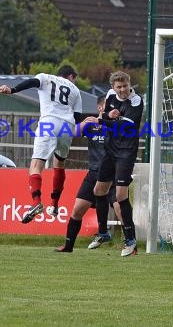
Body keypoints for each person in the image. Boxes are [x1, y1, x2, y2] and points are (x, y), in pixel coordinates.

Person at [0, 65, 82, 223]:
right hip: (67, 126)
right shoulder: (75, 90)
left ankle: (36, 202)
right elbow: (77, 118)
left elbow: (31, 82)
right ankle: (54, 204)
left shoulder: (45, 77)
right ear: (71, 76)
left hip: (48, 122)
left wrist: (12, 90)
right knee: (59, 163)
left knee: (36, 165)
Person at [55, 96, 121, 253]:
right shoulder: (90, 125)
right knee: (77, 210)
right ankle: (68, 246)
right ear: (100, 108)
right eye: (108, 105)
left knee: (120, 209)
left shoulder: (115, 124)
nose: (112, 108)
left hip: (113, 173)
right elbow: (71, 132)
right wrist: (84, 123)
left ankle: (130, 245)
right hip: (93, 173)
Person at [93, 71, 143, 257]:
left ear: (129, 84)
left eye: (125, 86)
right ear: (113, 87)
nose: (122, 90)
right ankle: (103, 233)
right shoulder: (110, 95)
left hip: (126, 152)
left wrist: (107, 118)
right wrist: (107, 115)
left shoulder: (136, 101)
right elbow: (105, 115)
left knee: (121, 195)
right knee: (99, 191)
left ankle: (130, 241)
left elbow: (126, 125)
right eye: (118, 87)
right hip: (110, 149)